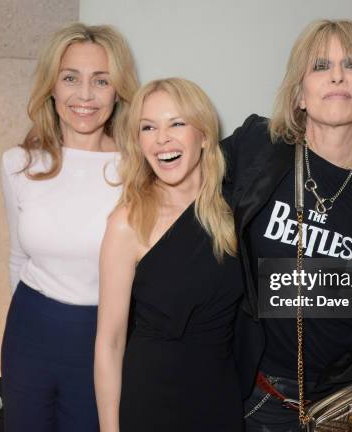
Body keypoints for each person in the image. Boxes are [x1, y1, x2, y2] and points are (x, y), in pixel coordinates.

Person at [222, 19, 352, 431]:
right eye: (320, 66)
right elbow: (179, 188)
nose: (337, 74)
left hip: (349, 408)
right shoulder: (255, 148)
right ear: (299, 94)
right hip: (260, 400)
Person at [0, 23, 137, 432]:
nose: (85, 96)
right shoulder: (18, 163)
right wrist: (24, 328)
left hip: (102, 338)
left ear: (118, 91)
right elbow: (17, 257)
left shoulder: (136, 169)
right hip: (29, 327)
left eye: (101, 81)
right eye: (70, 78)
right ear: (52, 88)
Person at [95, 78, 244, 432]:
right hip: (150, 400)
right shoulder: (127, 222)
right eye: (148, 127)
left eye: (177, 123)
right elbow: (109, 342)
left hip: (220, 398)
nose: (162, 138)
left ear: (205, 135)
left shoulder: (234, 213)